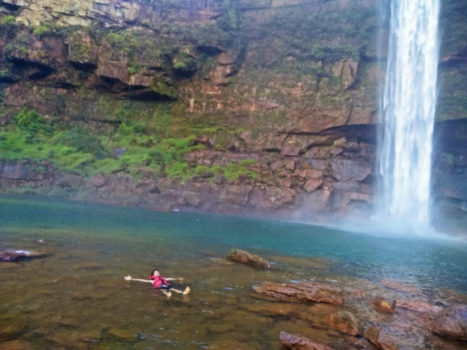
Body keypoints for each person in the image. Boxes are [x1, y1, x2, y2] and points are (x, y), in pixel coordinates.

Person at [124, 270, 190, 298]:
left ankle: (182, 292)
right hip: (158, 286)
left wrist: (177, 278)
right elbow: (142, 280)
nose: (157, 273)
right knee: (162, 289)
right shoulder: (152, 281)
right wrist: (131, 279)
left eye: (157, 272)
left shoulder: (162, 278)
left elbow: (169, 279)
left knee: (170, 287)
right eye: (155, 272)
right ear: (153, 275)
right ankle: (168, 294)